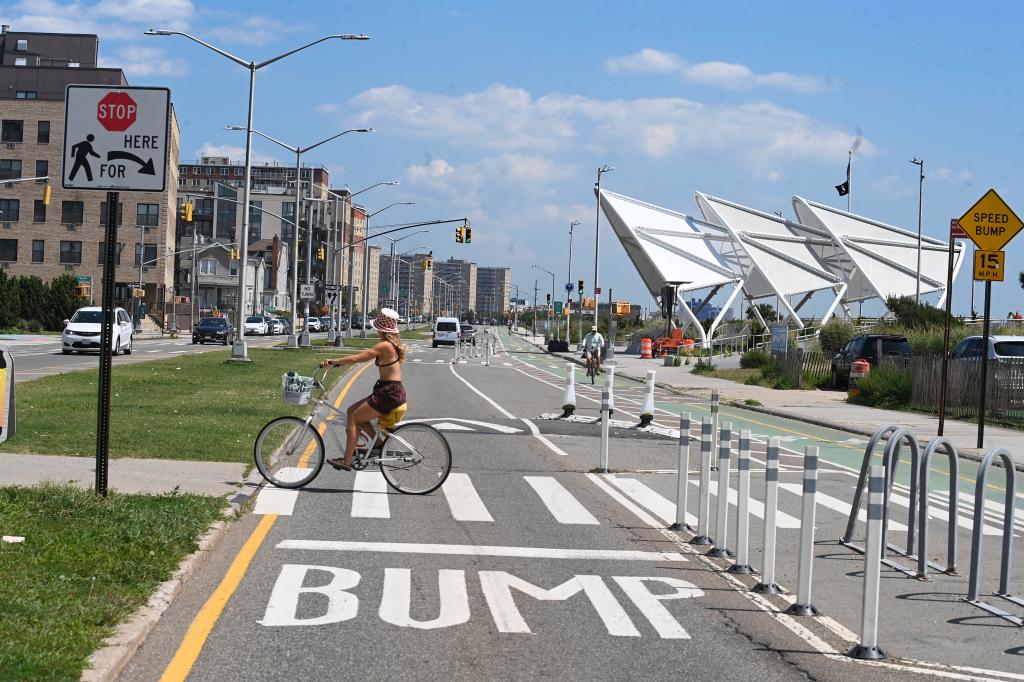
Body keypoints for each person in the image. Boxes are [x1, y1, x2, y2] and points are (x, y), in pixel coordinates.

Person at [319, 308, 406, 471]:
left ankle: (346, 461)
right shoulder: (391, 345)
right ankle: (378, 445)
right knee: (353, 411)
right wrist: (339, 363)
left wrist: (332, 361)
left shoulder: (385, 345)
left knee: (353, 418)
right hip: (388, 391)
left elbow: (359, 358)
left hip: (389, 392)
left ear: (381, 329)